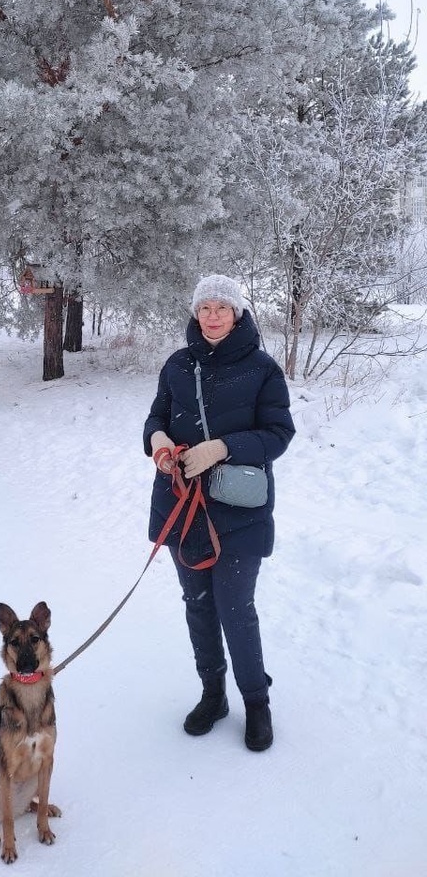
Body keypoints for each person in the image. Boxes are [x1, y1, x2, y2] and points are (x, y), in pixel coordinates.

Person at [144, 274, 295, 751]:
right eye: (204, 308)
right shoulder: (177, 364)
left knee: (235, 608)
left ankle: (256, 702)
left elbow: (278, 434)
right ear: (195, 313)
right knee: (198, 605)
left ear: (237, 314)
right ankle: (213, 695)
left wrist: (223, 448)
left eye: (221, 308)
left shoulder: (262, 369)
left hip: (238, 510)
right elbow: (155, 419)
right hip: (183, 508)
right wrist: (159, 442)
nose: (212, 316)